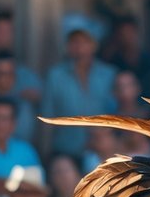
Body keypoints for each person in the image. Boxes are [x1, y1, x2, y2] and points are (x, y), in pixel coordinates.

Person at [41, 26, 118, 158]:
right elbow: (47, 116)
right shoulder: (55, 75)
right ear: (67, 46)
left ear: (94, 45)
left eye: (85, 42)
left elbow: (118, 113)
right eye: (74, 42)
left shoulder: (109, 74)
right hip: (66, 152)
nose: (79, 47)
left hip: (102, 153)